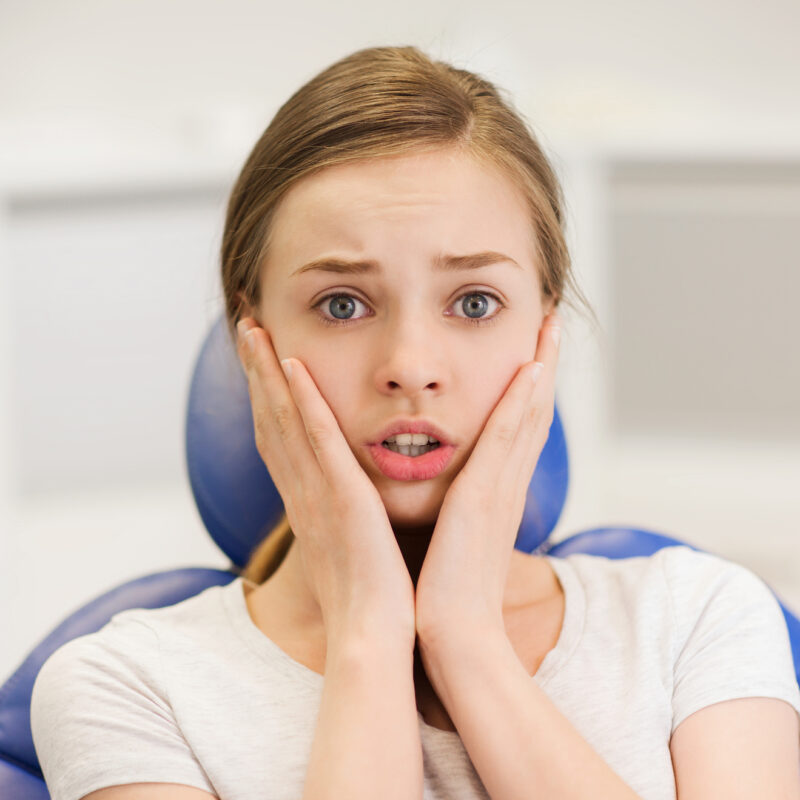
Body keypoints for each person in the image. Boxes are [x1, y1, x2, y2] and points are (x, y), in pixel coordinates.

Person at [30, 45, 800, 800]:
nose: (410, 364)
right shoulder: (122, 688)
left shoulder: (698, 615)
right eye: (342, 304)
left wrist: (467, 642)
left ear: (544, 333)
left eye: (473, 302)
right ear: (251, 341)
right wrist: (367, 630)